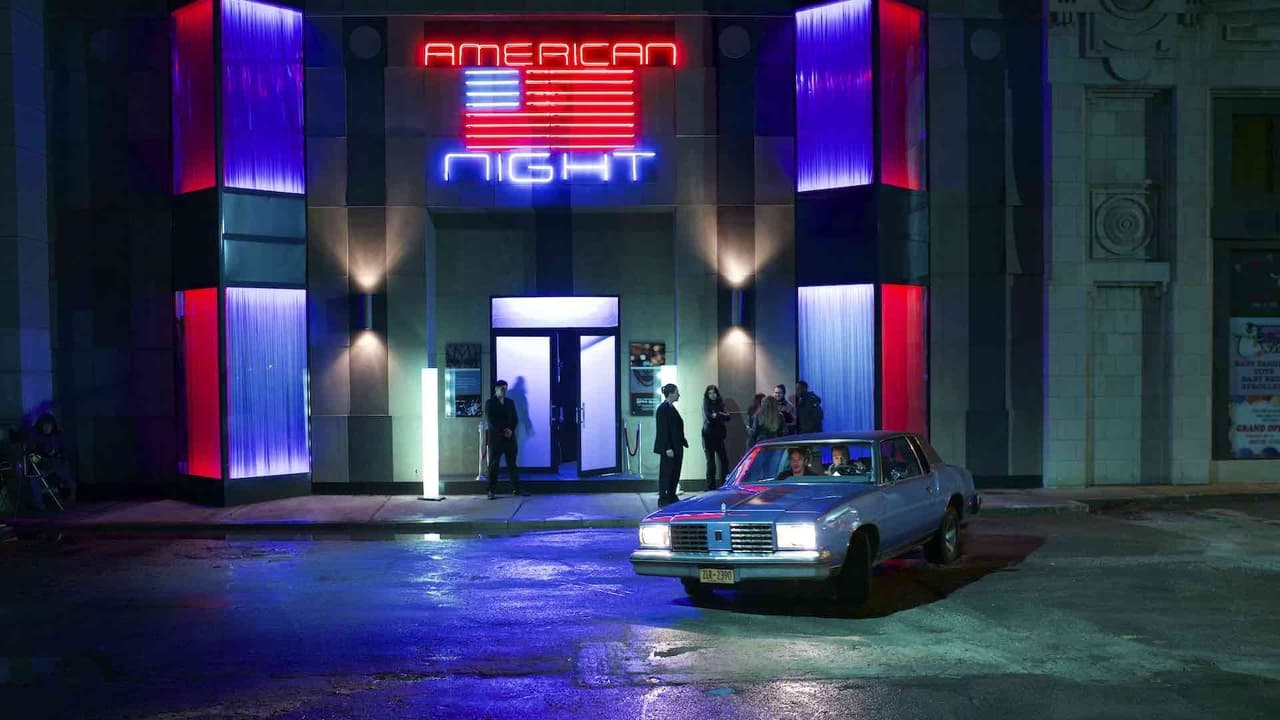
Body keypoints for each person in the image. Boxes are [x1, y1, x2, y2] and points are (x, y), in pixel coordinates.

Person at [485, 380, 527, 499]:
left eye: (505, 389)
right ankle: (491, 491)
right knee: (494, 465)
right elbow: (491, 421)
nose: (504, 391)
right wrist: (504, 431)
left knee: (512, 464)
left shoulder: (510, 402)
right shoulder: (490, 403)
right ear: (496, 389)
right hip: (496, 439)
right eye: (502, 389)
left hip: (510, 439)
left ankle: (516, 489)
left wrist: (511, 430)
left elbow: (515, 419)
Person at [27, 413, 75, 511]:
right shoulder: (35, 436)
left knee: (65, 468)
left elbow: (65, 451)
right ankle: (38, 504)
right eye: (44, 425)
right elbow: (31, 455)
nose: (46, 427)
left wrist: (58, 454)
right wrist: (41, 458)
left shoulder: (58, 435)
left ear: (53, 425)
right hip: (41, 464)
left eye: (49, 425)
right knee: (34, 476)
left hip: (57, 463)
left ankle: (71, 495)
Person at [653, 383, 688, 507]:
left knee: (675, 472)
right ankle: (664, 498)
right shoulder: (663, 409)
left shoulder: (671, 408)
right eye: (677, 392)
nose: (679, 395)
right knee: (666, 473)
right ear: (671, 393)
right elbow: (662, 430)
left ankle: (672, 495)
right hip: (670, 448)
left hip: (677, 446)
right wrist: (667, 447)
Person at [701, 385, 731, 489]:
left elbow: (728, 417)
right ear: (707, 395)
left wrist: (717, 415)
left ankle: (724, 483)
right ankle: (710, 486)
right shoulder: (706, 404)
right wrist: (719, 415)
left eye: (714, 393)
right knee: (711, 461)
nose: (712, 395)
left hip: (719, 436)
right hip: (708, 435)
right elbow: (709, 417)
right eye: (710, 393)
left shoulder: (720, 403)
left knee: (724, 460)